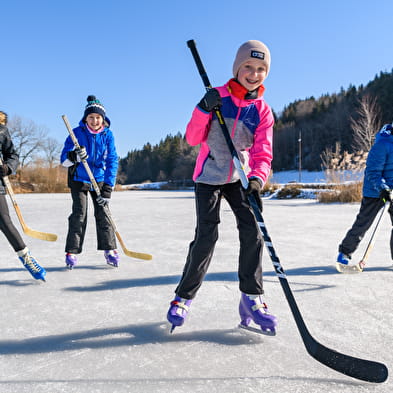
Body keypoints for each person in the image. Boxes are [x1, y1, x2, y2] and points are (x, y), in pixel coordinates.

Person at [167, 40, 277, 334]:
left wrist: (257, 179)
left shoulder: (262, 111)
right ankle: (183, 297)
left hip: (239, 179)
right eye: (248, 67)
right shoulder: (217, 97)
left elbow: (262, 153)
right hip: (208, 178)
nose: (254, 74)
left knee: (253, 231)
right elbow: (192, 138)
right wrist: (204, 110)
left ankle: (252, 298)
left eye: (260, 69)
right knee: (207, 236)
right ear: (237, 68)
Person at [60, 95, 119, 269]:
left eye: (98, 117)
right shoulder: (77, 133)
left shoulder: (108, 135)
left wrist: (108, 188)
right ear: (86, 118)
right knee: (79, 214)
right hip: (79, 178)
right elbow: (64, 159)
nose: (94, 121)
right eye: (91, 117)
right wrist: (75, 156)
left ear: (103, 119)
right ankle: (72, 251)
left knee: (103, 213)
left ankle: (110, 250)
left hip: (99, 179)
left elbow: (112, 160)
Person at [337, 122, 393, 270]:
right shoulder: (383, 145)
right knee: (363, 224)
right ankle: (345, 253)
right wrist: (383, 189)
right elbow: (373, 172)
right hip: (375, 192)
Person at [0, 111, 46, 281]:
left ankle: (27, 259)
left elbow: (12, 155)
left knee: (5, 222)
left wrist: (7, 168)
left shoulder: (1, 130)